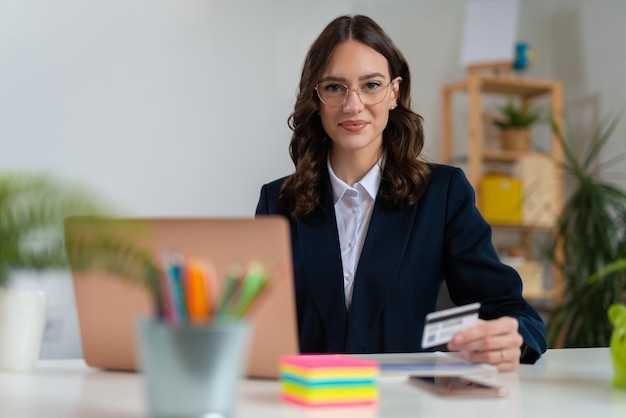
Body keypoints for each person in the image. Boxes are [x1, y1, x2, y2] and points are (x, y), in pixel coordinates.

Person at [255, 14, 547, 372]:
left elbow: (514, 312)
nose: (353, 104)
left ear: (394, 92)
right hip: (308, 400)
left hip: (405, 403)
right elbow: (258, 327)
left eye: (371, 85)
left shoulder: (442, 194)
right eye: (334, 87)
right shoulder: (278, 201)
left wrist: (510, 337)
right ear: (315, 98)